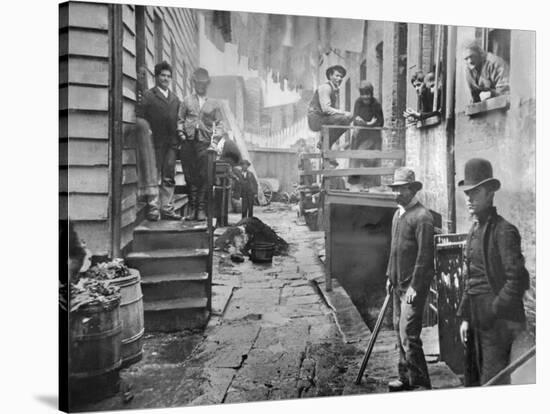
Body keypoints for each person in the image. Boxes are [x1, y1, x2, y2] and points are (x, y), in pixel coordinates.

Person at [456, 158, 529, 386]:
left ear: (490, 193)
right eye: (467, 193)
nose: (469, 198)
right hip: (477, 319)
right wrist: (466, 317)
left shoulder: (504, 231)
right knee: (474, 379)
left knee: (493, 382)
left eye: (475, 192)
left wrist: (494, 310)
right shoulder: (474, 230)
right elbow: (471, 279)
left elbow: (518, 280)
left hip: (499, 324)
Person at [385, 167, 434, 391]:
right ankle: (404, 378)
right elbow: (394, 249)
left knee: (409, 335)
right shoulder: (398, 214)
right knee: (397, 330)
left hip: (412, 288)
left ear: (412, 189)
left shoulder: (422, 217)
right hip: (397, 284)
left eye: (401, 189)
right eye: (394, 189)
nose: (396, 194)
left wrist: (415, 285)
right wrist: (389, 275)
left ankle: (421, 384)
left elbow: (425, 256)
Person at [138, 61, 182, 221]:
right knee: (154, 176)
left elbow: (179, 121)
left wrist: (178, 141)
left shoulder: (175, 99)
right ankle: (153, 209)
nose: (165, 78)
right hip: (154, 143)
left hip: (171, 144)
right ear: (156, 77)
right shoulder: (149, 96)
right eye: (162, 75)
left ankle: (167, 209)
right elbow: (140, 117)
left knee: (169, 177)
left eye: (168, 76)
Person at [177, 68, 222, 221]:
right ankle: (192, 208)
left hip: (204, 144)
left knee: (203, 176)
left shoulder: (214, 104)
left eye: (203, 83)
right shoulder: (186, 100)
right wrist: (181, 134)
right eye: (198, 83)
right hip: (188, 143)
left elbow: (220, 124)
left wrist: (214, 141)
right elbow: (180, 120)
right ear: (194, 83)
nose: (200, 86)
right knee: (190, 176)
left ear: (207, 84)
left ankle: (201, 209)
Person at [307, 65, 353, 149]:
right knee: (345, 119)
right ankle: (325, 144)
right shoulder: (326, 87)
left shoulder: (334, 89)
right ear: (330, 76)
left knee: (345, 120)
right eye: (337, 75)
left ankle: (324, 143)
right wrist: (344, 113)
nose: (339, 79)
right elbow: (326, 109)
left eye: (341, 76)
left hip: (321, 117)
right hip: (315, 119)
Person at [351, 81, 384, 188]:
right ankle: (358, 184)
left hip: (373, 137)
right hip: (360, 136)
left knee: (371, 159)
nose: (365, 97)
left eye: (367, 94)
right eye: (363, 94)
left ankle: (372, 185)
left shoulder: (376, 104)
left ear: (371, 93)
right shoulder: (358, 102)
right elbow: (355, 118)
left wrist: (370, 124)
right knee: (357, 157)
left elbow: (380, 121)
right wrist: (359, 121)